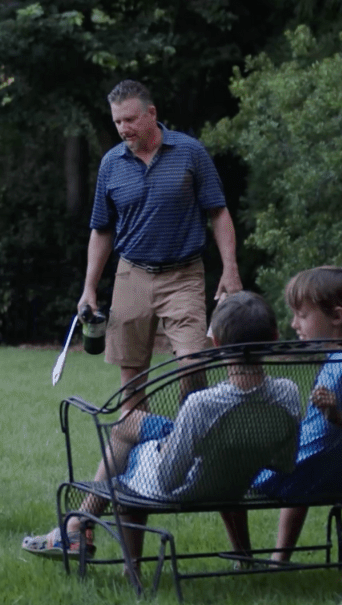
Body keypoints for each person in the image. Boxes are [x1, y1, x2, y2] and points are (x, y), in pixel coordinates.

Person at [22, 291, 298, 563]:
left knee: (127, 439)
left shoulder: (202, 404)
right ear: (274, 338)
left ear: (214, 343)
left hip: (189, 485)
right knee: (133, 421)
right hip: (236, 479)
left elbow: (168, 478)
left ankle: (96, 542)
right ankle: (243, 556)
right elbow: (284, 462)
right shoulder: (288, 393)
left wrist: (164, 446)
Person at [79, 80, 242, 391]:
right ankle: (133, 438)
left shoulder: (189, 152)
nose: (123, 128)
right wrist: (89, 287)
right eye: (117, 121)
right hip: (132, 275)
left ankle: (191, 437)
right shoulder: (111, 164)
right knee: (132, 376)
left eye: (129, 119)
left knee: (193, 368)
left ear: (151, 113)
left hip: (183, 275)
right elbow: (101, 228)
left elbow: (219, 212)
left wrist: (230, 269)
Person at [253, 266, 342, 563]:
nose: (293, 324)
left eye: (302, 316)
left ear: (337, 317)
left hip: (316, 475)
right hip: (307, 469)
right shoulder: (340, 361)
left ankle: (257, 558)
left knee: (227, 463)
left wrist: (338, 416)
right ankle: (279, 559)